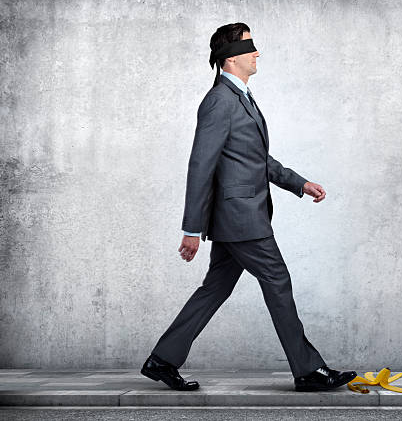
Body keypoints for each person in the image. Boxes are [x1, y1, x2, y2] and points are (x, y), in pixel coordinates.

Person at [140, 23, 356, 392]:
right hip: (241, 218)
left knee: (215, 288)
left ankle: (162, 359)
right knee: (278, 280)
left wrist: (298, 183)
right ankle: (307, 370)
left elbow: (254, 159)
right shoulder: (219, 101)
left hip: (237, 217)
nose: (257, 53)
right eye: (250, 47)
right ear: (231, 57)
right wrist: (191, 229)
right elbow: (200, 165)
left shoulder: (240, 97)